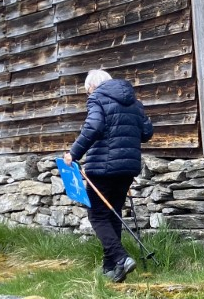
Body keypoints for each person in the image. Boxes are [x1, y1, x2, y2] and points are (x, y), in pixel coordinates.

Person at [64, 69, 154, 283]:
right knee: (113, 213)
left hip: (102, 167)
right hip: (128, 167)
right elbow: (147, 133)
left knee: (97, 215)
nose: (88, 95)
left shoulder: (98, 99)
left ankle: (121, 258)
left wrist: (73, 154)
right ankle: (110, 267)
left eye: (87, 92)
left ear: (93, 87)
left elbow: (93, 126)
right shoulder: (135, 102)